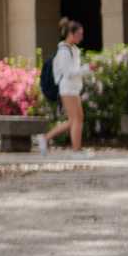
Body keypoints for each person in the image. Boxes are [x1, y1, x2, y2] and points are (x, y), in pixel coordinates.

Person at [39, 19, 86, 154]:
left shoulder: (73, 50)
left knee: (76, 119)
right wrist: (87, 69)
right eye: (79, 34)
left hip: (73, 89)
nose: (81, 37)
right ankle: (76, 151)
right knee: (76, 119)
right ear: (71, 34)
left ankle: (45, 138)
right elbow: (68, 73)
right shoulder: (64, 51)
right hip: (67, 89)